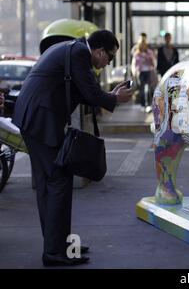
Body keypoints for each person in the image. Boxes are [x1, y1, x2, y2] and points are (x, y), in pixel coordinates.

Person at [12, 30, 133, 266]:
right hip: (40, 120)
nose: (108, 63)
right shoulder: (78, 53)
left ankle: (58, 243)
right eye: (109, 57)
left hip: (35, 118)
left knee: (50, 182)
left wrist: (110, 95)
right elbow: (90, 92)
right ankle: (54, 252)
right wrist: (115, 98)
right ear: (99, 51)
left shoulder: (74, 50)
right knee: (58, 179)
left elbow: (85, 92)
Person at [132, 33, 157, 112]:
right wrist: (134, 72)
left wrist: (149, 59)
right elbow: (134, 63)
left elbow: (154, 62)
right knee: (142, 89)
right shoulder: (137, 53)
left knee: (149, 89)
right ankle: (143, 105)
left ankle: (149, 105)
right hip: (141, 72)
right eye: (141, 43)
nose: (143, 45)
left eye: (144, 43)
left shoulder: (149, 52)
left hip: (149, 71)